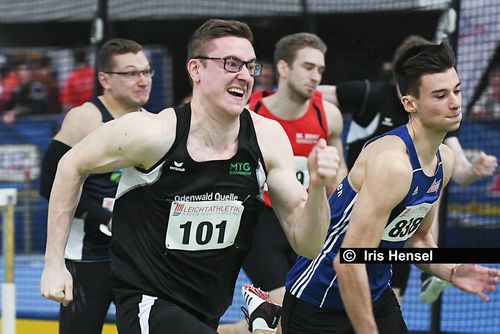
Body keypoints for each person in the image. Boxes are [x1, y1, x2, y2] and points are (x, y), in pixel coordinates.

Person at [40, 19, 340, 334]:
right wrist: (54, 264)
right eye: (230, 63)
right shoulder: (152, 133)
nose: (243, 75)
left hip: (207, 305)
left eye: (249, 66)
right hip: (148, 301)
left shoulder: (266, 138)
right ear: (195, 69)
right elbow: (69, 165)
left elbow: (308, 244)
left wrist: (318, 188)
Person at [281, 41, 500, 334]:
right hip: (318, 299)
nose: (455, 102)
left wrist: (452, 270)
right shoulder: (393, 165)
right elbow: (347, 262)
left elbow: (418, 239)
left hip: (374, 292)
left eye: (457, 91)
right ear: (410, 103)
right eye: (440, 95)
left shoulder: (443, 160)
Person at [220, 32, 346, 334]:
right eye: (308, 67)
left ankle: (231, 330)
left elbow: (339, 181)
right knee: (283, 315)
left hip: (309, 222)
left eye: (320, 70)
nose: (315, 76)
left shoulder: (329, 116)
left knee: (294, 322)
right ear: (284, 68)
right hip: (261, 223)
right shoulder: (249, 114)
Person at [39, 38, 153, 334]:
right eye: (131, 73)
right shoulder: (85, 118)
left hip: (135, 255)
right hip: (88, 255)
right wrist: (105, 218)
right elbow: (48, 184)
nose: (142, 81)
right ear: (105, 79)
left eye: (147, 71)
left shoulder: (154, 123)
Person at [2, 60, 49, 125]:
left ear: (31, 73)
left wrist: (16, 112)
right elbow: (8, 106)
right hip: (22, 127)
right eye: (21, 70)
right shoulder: (17, 89)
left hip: (39, 126)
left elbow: (37, 108)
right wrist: (7, 114)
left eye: (27, 70)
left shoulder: (37, 87)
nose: (24, 73)